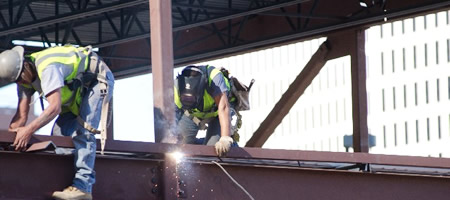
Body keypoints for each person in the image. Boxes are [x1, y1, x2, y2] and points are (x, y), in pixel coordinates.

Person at [0, 45, 114, 200]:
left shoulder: (47, 68)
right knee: (59, 137)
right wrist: (10, 141)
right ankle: (65, 185)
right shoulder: (23, 81)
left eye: (20, 78)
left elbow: (54, 108)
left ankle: (83, 187)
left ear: (26, 66)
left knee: (84, 130)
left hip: (95, 81)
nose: (20, 83)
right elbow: (21, 116)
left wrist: (29, 130)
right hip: (74, 92)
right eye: (16, 81)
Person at [174, 65, 237, 157]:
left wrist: (225, 138)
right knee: (181, 147)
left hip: (218, 114)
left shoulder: (214, 78)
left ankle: (232, 145)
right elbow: (170, 120)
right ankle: (199, 143)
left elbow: (223, 107)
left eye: (191, 99)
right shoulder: (175, 88)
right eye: (185, 98)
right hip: (192, 115)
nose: (188, 101)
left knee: (212, 150)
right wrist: (172, 139)